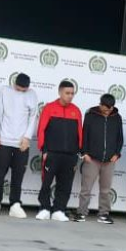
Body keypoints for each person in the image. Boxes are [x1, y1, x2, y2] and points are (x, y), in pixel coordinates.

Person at [0, 73, 38, 218]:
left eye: (24, 90)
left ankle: (15, 204)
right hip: (3, 139)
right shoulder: (4, 91)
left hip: (21, 143)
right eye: (19, 89)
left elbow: (33, 116)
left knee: (18, 175)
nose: (22, 91)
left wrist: (27, 138)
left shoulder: (32, 94)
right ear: (14, 84)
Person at [36, 80, 83, 222]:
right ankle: (44, 208)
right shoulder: (49, 108)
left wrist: (78, 152)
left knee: (65, 184)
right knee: (46, 182)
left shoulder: (76, 110)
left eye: (72, 94)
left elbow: (79, 133)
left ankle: (59, 210)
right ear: (60, 92)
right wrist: (44, 150)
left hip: (70, 155)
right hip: (52, 153)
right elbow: (41, 130)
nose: (70, 96)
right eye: (67, 93)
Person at [75, 93, 123, 224]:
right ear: (100, 104)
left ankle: (104, 214)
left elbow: (120, 138)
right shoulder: (91, 115)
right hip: (92, 159)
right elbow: (84, 135)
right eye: (106, 107)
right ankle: (81, 213)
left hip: (109, 160)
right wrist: (84, 153)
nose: (108, 110)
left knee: (106, 190)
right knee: (86, 188)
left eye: (111, 108)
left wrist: (117, 154)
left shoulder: (117, 117)